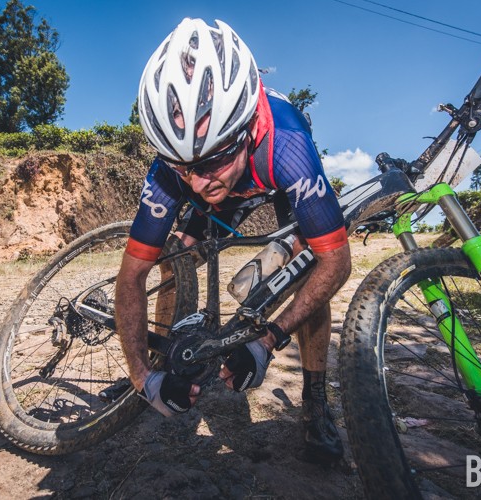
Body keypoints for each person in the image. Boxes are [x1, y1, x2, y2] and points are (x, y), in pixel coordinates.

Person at [115, 17, 351, 463]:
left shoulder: (288, 143)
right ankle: (161, 358)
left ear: (244, 128)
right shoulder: (177, 169)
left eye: (212, 161)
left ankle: (316, 401)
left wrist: (266, 342)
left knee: (309, 271)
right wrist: (140, 375)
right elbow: (131, 276)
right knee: (172, 257)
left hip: (267, 181)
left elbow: (337, 263)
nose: (199, 183)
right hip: (237, 176)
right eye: (182, 165)